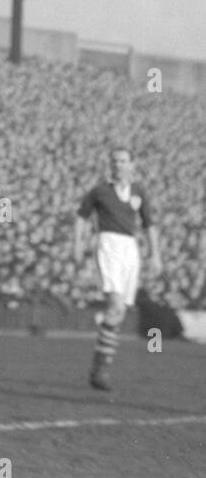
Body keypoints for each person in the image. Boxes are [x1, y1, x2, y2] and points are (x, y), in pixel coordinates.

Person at [74, 147, 162, 391]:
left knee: (119, 312)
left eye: (123, 161)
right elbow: (81, 217)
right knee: (114, 306)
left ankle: (99, 365)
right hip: (108, 245)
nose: (119, 165)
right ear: (110, 165)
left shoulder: (139, 192)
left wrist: (155, 254)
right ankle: (101, 369)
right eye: (115, 161)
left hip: (130, 250)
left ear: (132, 164)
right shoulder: (100, 191)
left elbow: (149, 225)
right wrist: (78, 244)